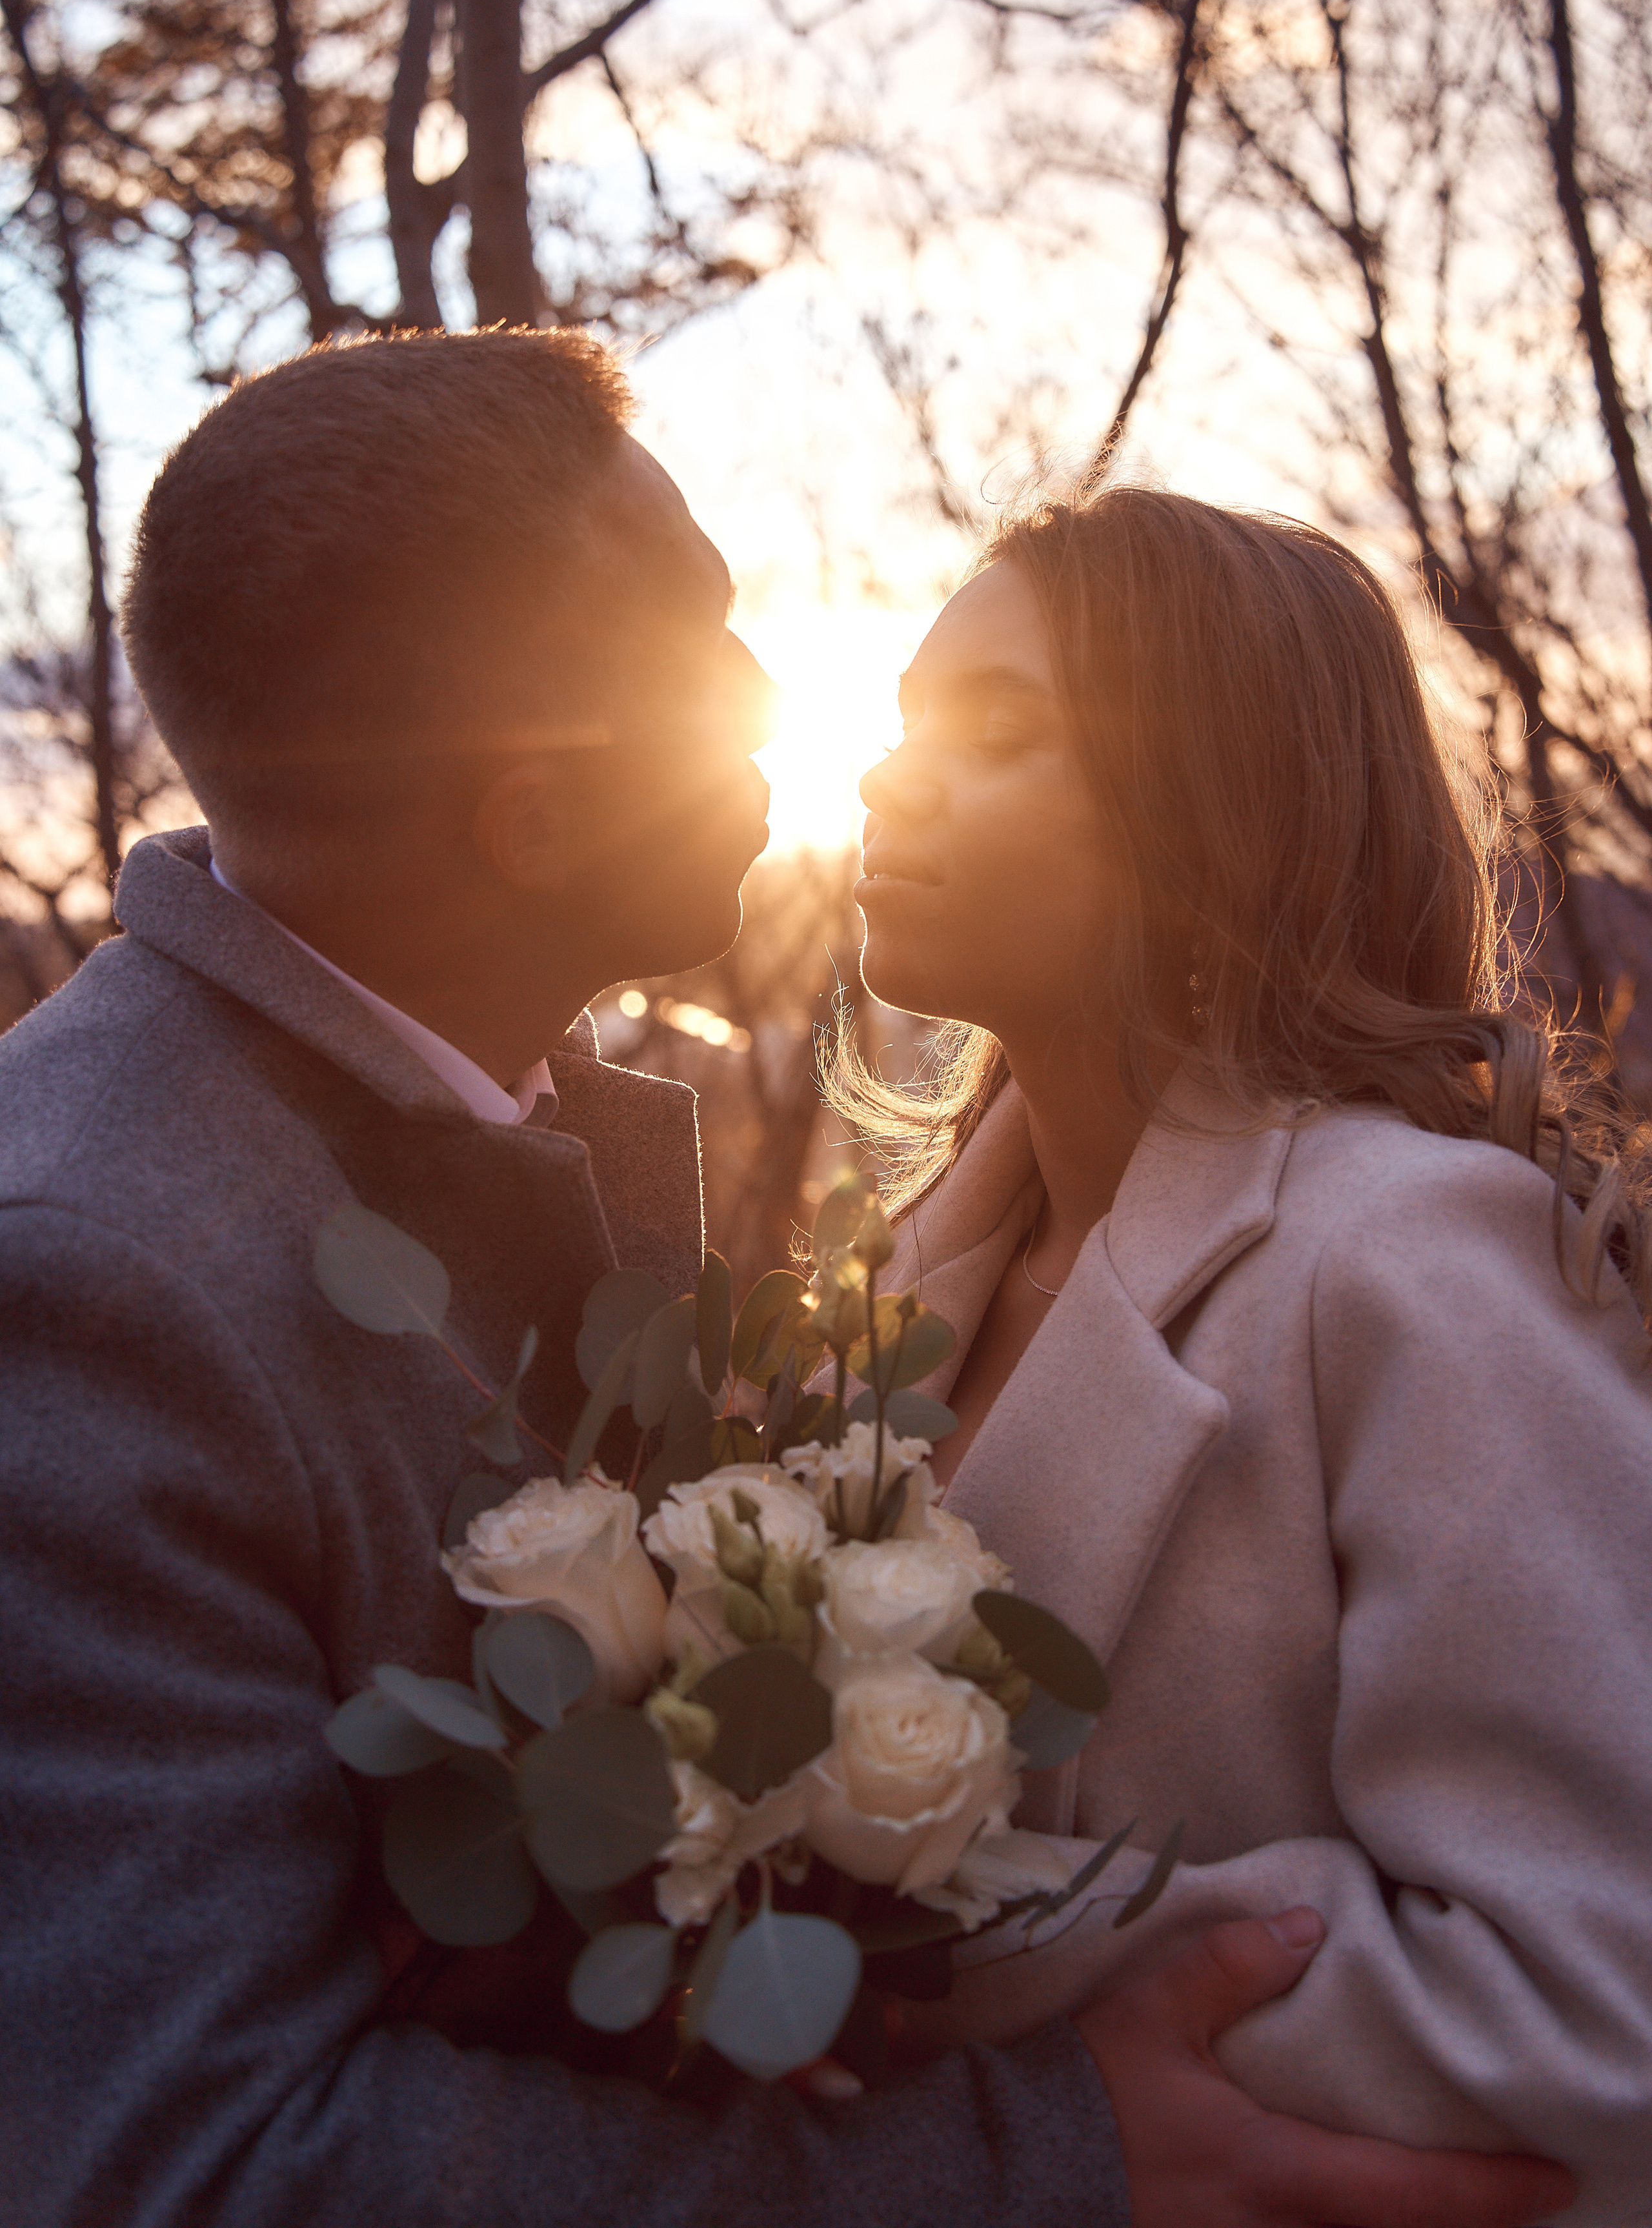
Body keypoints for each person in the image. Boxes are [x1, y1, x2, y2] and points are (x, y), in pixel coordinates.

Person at [0, 330, 1571, 2228]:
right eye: (702, 650)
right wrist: (1024, 2136)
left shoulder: (1373, 1262)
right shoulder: (97, 1277)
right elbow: (193, 2163)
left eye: (991, 729)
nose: (781, 710)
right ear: (537, 816)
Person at [841, 478, 1652, 2223]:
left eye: (996, 730)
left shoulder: (1413, 1262)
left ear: (1207, 814)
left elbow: (1594, 1999)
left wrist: (899, 1964)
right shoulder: (884, 1306)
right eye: (905, 719)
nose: (887, 775)